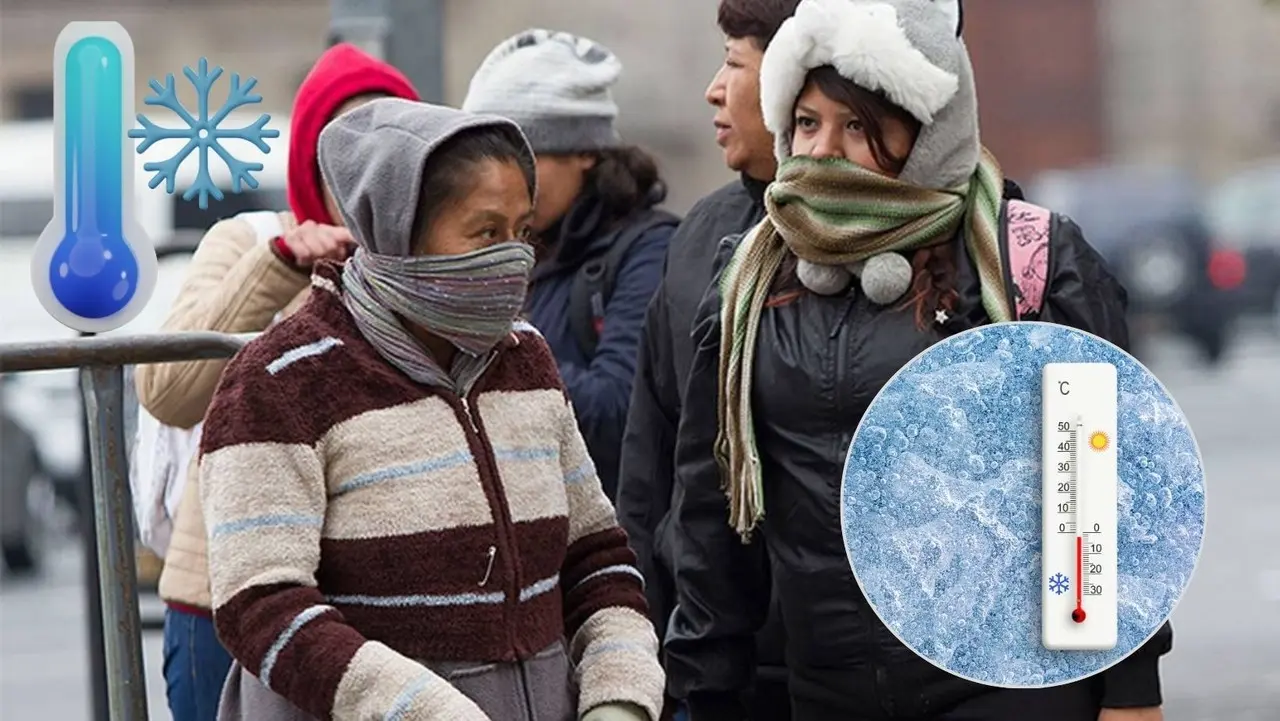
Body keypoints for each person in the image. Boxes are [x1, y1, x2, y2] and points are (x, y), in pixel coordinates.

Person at [663, 1, 1172, 720]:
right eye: (807, 123)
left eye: (859, 127)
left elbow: (1103, 496)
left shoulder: (1026, 261)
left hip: (1009, 685)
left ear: (927, 135)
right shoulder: (749, 282)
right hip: (829, 695)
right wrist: (705, 688)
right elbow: (712, 520)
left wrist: (1130, 692)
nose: (823, 151)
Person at [201, 98, 664, 721]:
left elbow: (596, 559)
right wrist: (422, 710)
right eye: (484, 233)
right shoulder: (282, 380)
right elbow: (261, 604)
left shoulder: (526, 361)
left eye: (522, 232)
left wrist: (620, 696)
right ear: (399, 232)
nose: (513, 257)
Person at [131, 43, 419, 721]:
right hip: (224, 603)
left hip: (379, 608)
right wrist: (280, 268)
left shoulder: (431, 266)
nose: (368, 165)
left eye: (391, 143)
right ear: (309, 160)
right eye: (345, 144)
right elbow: (168, 390)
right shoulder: (250, 242)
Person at [613, 1, 803, 718]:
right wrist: (639, 641)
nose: (713, 90)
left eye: (733, 62)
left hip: (835, 668)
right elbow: (650, 458)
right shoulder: (703, 237)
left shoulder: (899, 252)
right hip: (703, 663)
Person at [461, 29, 677, 502]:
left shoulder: (649, 251)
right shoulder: (511, 247)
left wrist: (490, 328)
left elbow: (618, 414)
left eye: (523, 159)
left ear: (585, 151)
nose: (501, 186)